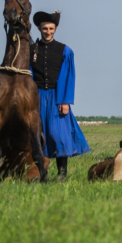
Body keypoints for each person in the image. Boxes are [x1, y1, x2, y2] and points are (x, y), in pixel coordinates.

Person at [30, 11, 90, 180]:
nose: (47, 31)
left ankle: (62, 173)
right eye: (44, 28)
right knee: (38, 136)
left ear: (55, 29)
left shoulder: (65, 50)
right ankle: (42, 173)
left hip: (57, 97)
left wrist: (65, 101)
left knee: (58, 136)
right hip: (37, 98)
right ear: (39, 29)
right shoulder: (32, 49)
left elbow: (69, 77)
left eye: (50, 28)